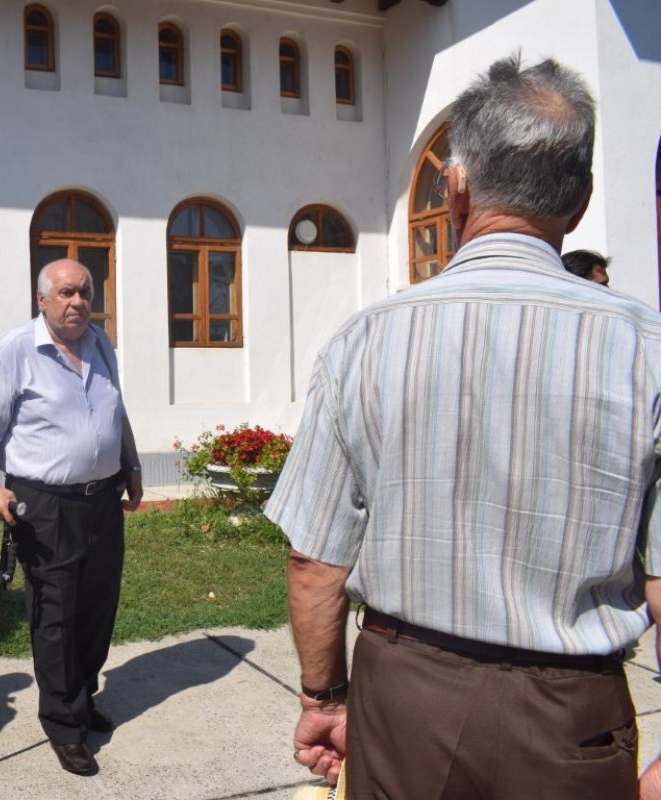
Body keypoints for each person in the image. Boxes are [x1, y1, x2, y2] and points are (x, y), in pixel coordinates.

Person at [265, 55, 661, 800]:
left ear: (455, 187)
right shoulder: (648, 349)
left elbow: (315, 562)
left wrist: (324, 699)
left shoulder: (364, 341)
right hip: (569, 720)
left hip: (404, 705)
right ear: (579, 202)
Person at [0, 259, 144, 776]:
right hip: (44, 505)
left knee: (97, 607)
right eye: (66, 292)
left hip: (102, 500)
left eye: (85, 292)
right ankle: (63, 724)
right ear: (42, 300)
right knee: (55, 613)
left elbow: (116, 410)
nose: (78, 301)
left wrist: (131, 464)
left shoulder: (101, 344)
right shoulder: (17, 350)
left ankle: (81, 696)